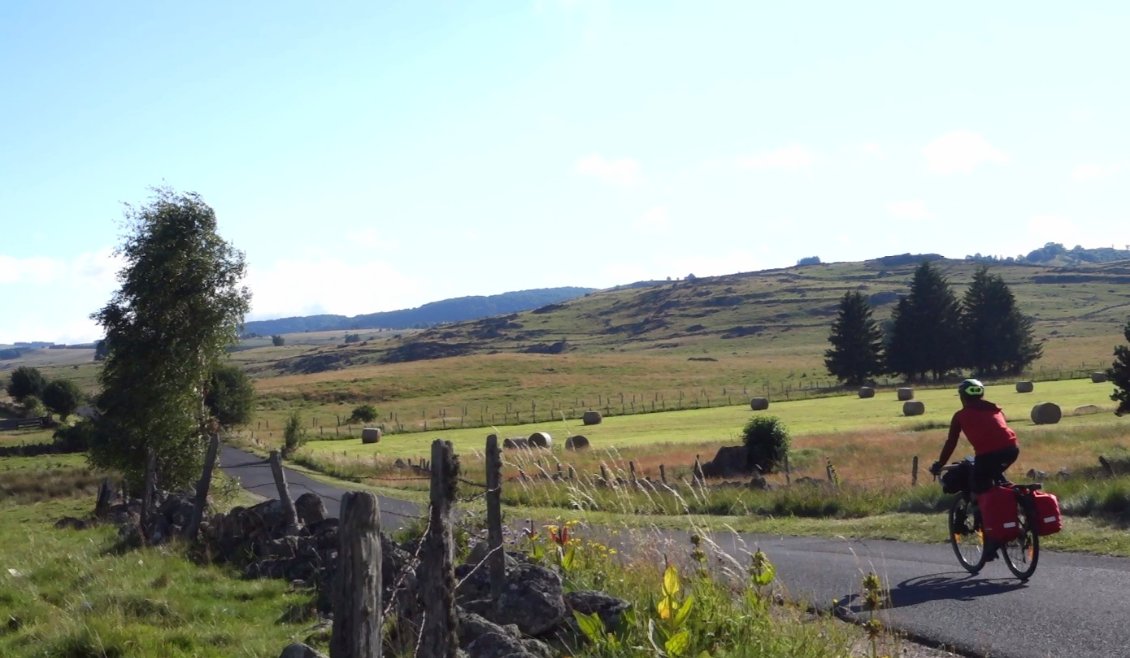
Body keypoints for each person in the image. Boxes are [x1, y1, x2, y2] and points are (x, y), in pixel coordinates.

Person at [929, 378, 1020, 560]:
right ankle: (1015, 513)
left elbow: (951, 442)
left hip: (987, 456)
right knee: (995, 482)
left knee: (978, 492)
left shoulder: (960, 415)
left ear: (962, 397)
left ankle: (990, 543)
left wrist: (940, 463)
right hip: (1011, 450)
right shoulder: (995, 409)